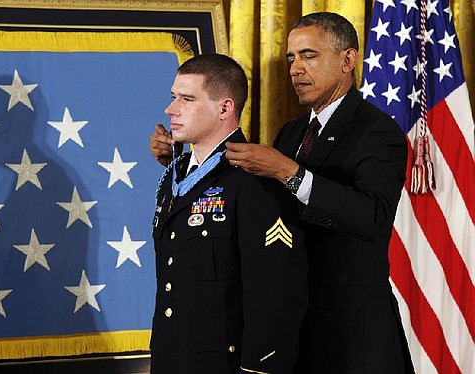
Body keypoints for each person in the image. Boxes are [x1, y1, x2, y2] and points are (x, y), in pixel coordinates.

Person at [149, 12, 415, 373]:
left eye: (309, 56)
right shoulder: (291, 133)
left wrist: (289, 171)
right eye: (291, 58)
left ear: (347, 60)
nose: (295, 69)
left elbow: (373, 217)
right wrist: (180, 166)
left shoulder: (377, 132)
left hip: (350, 333)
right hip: (295, 329)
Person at [149, 53, 308, 374]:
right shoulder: (175, 174)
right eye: (173, 97)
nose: (171, 109)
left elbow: (275, 293)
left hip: (225, 363)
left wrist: (259, 368)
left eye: (187, 99)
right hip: (172, 357)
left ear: (225, 108)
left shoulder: (255, 178)